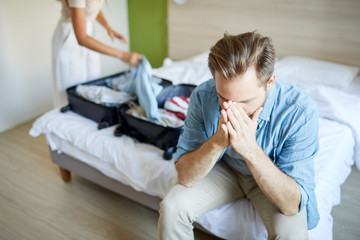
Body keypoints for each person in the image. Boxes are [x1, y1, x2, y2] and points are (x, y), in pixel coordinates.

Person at [158, 31, 319, 240]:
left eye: (245, 101)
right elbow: (185, 177)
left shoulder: (299, 111)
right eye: (223, 97)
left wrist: (250, 150)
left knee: (291, 234)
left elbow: (291, 206)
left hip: (274, 173)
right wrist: (217, 142)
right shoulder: (202, 95)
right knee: (172, 206)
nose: (232, 109)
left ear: (270, 83)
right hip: (226, 170)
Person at [52, 0, 142, 107]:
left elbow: (91, 8)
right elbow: (82, 38)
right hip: (71, 37)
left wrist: (108, 28)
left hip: (88, 33)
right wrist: (123, 55)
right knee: (70, 91)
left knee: (92, 82)